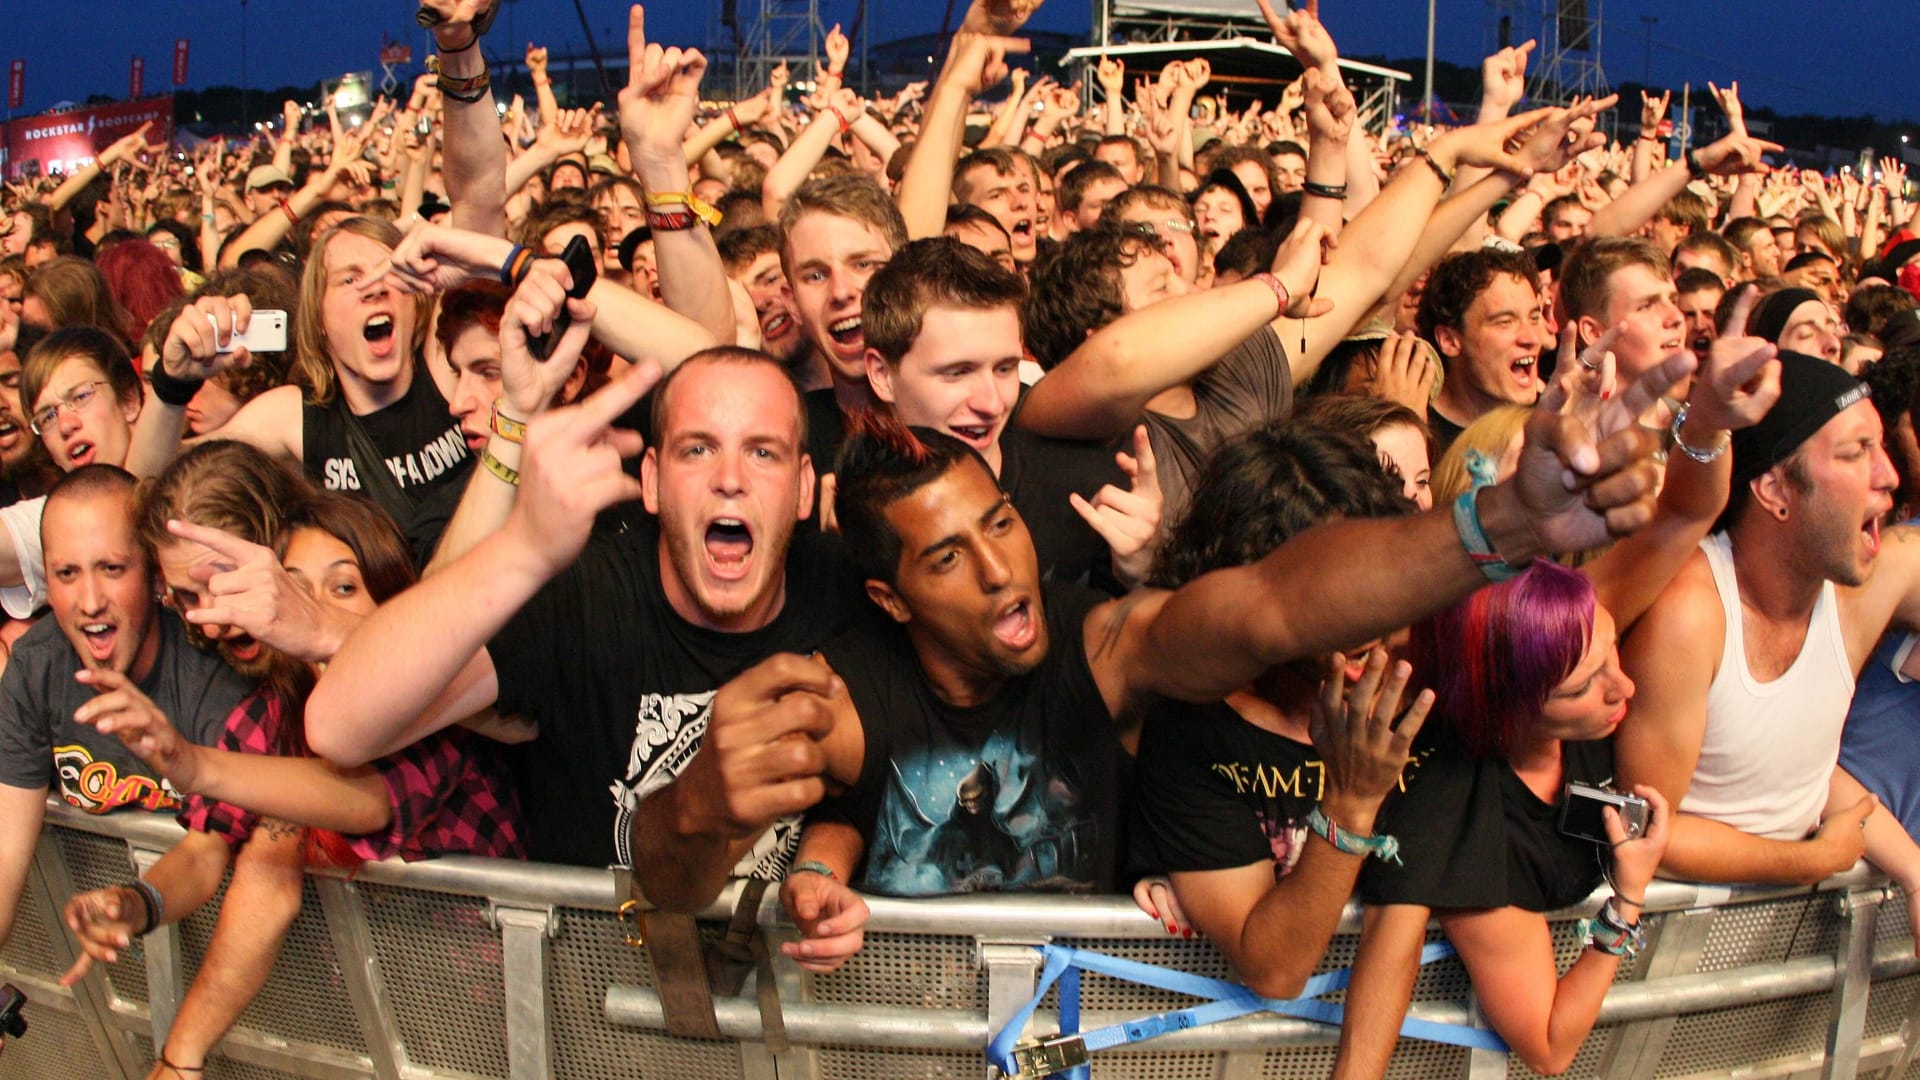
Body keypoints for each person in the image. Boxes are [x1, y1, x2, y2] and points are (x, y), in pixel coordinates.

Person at [640, 337, 1689, 938]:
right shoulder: (838, 698)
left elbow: (1274, 604)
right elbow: (665, 893)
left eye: (998, 522)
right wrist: (691, 808)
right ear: (892, 600)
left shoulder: (1104, 646)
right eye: (947, 557)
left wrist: (1498, 526)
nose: (1003, 568)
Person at [1340, 307, 1781, 1077]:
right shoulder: (1457, 789)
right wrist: (1627, 908)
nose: (1626, 685)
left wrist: (1704, 422)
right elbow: (1413, 958)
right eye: (1524, 475)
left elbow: (1686, 508)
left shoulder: (1572, 613)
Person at [306, 347, 867, 871]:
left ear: (803, 488)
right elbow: (340, 728)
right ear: (651, 482)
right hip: (603, 968)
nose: (728, 480)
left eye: (762, 452)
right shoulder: (587, 596)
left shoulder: (845, 590)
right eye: (697, 450)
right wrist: (524, 547)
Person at [1616, 351, 1920, 935]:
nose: (1889, 475)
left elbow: (1798, 765)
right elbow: (1649, 822)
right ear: (1776, 489)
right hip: (1669, 948)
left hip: (1787, 948)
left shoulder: (1862, 588)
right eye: (1857, 452)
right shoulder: (1691, 616)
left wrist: (1911, 871)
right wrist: (1808, 861)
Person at [1127, 420, 1430, 997]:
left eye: (1370, 577)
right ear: (1252, 593)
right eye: (1328, 594)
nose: (1363, 617)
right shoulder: (1194, 727)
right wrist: (1352, 801)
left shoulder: (1430, 668)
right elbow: (1273, 968)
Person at [0, 465, 252, 953]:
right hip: (123, 972)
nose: (90, 601)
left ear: (155, 574)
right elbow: (5, 851)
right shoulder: (36, 669)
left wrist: (137, 902)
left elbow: (209, 848)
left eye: (112, 569)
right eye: (67, 574)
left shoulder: (212, 668)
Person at [129, 218, 474, 565]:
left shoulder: (450, 365)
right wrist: (172, 387)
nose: (374, 288)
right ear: (319, 318)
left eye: (390, 272)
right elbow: (149, 480)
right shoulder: (292, 417)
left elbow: (475, 206)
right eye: (349, 279)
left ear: (416, 304)